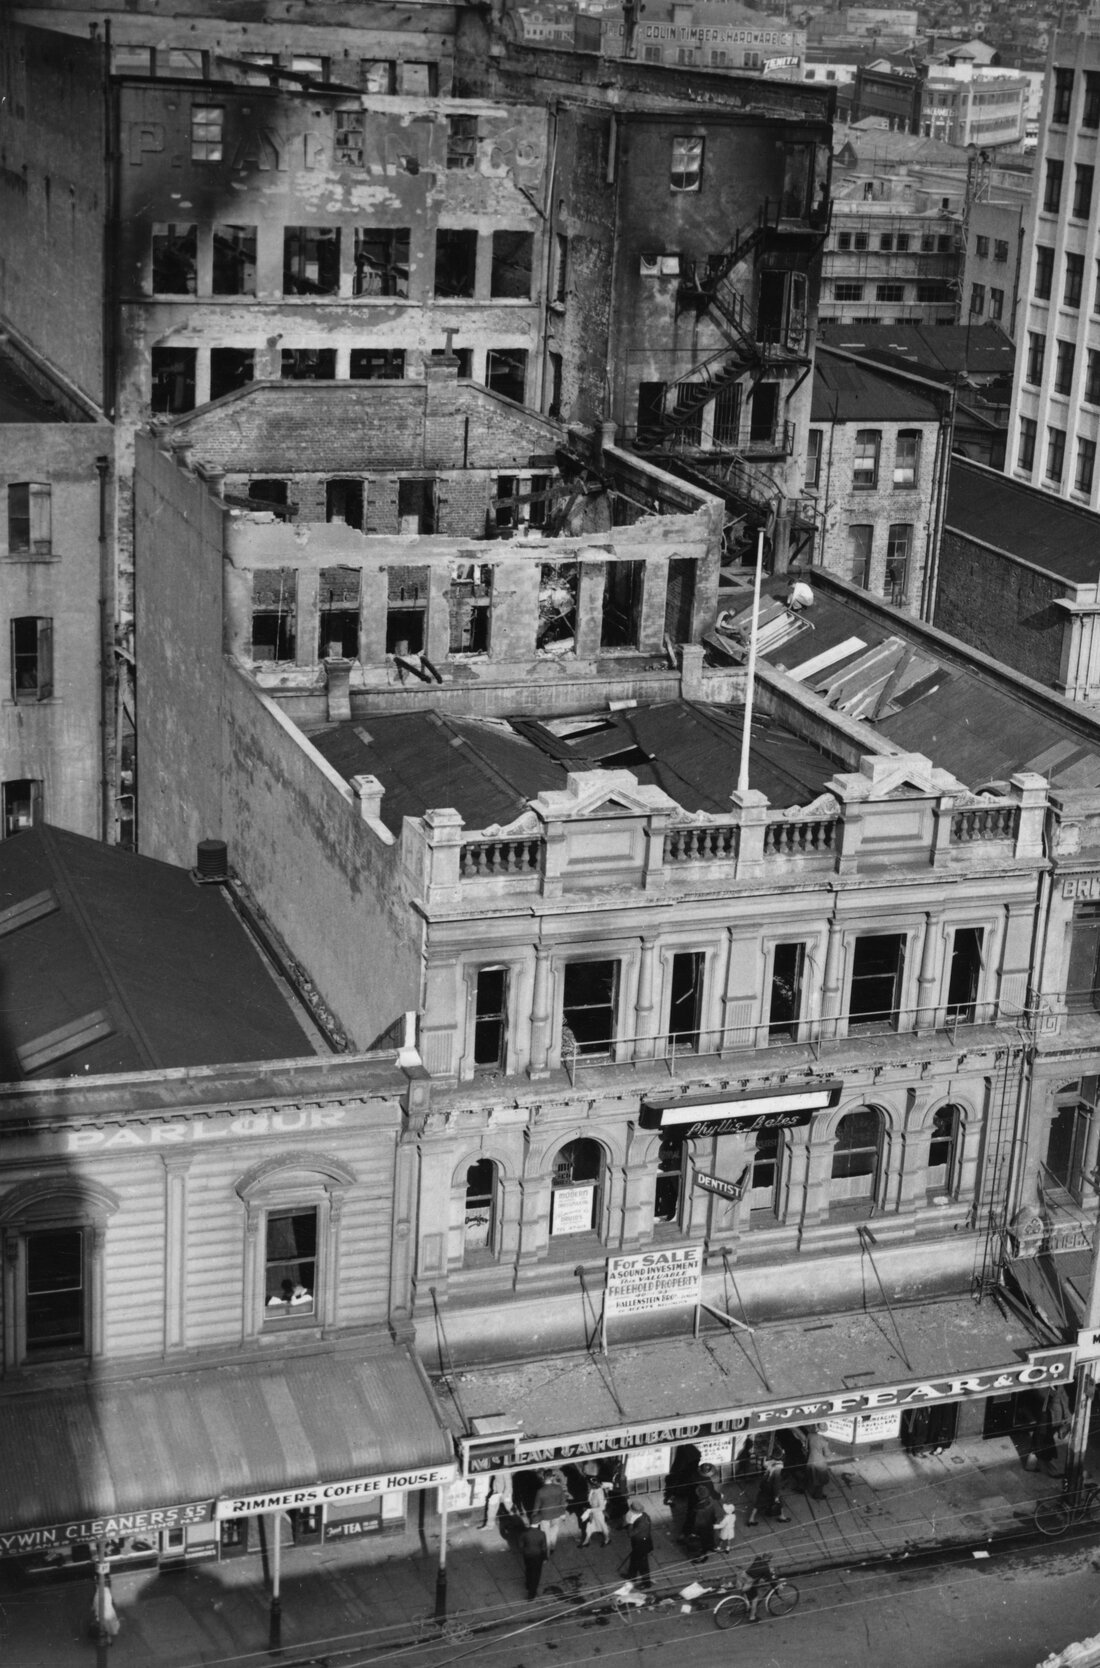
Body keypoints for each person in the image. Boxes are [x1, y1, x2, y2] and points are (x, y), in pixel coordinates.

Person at [689, 1466, 723, 1562]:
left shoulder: (698, 1509)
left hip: (701, 1529)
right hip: (709, 1525)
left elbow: (696, 1522)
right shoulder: (710, 1502)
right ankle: (711, 1547)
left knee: (702, 1542)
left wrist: (693, 1532)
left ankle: (702, 1556)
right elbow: (713, 1515)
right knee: (709, 1538)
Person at [532, 1468, 570, 1550]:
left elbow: (536, 1506)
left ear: (543, 1477)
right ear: (552, 1477)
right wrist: (563, 1513)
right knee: (554, 1531)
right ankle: (552, 1546)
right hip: (557, 1513)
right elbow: (563, 1502)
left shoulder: (540, 1491)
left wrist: (533, 1516)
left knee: (546, 1533)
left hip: (544, 1515)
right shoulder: (558, 1488)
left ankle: (547, 1548)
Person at [747, 1456, 790, 1527]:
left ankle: (751, 1519)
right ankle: (782, 1517)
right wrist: (776, 1496)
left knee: (758, 1503)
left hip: (764, 1487)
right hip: (771, 1490)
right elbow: (776, 1485)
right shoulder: (778, 1470)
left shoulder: (770, 1465)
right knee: (780, 1501)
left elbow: (764, 1477)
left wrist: (761, 1487)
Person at [624, 1498, 654, 1587]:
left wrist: (630, 1524)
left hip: (641, 1544)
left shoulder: (641, 1522)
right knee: (634, 1559)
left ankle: (647, 1583)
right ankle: (632, 1576)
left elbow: (630, 1534)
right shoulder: (644, 1515)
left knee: (643, 1564)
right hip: (639, 1542)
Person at [742, 1552, 775, 1622]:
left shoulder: (757, 1558)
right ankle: (752, 1617)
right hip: (748, 1582)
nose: (770, 1561)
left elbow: (757, 1569)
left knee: (748, 1593)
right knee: (755, 1599)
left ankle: (747, 1604)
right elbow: (770, 1580)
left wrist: (768, 1570)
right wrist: (776, 1587)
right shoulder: (766, 1568)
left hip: (742, 1577)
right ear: (768, 1560)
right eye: (770, 1559)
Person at [519, 1522, 549, 1600]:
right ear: (538, 1524)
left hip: (527, 1555)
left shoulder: (524, 1533)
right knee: (536, 1575)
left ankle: (528, 1584)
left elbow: (520, 1545)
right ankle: (531, 1594)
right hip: (538, 1556)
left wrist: (524, 1551)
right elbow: (544, 1547)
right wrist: (545, 1557)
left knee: (528, 1569)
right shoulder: (542, 1533)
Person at [580, 1472, 609, 1547]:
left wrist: (590, 1510)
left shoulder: (599, 1494)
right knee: (589, 1526)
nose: (587, 1485)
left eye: (588, 1484)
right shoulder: (593, 1491)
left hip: (598, 1513)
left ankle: (607, 1539)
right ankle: (586, 1541)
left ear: (593, 1485)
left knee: (603, 1526)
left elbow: (602, 1507)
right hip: (592, 1512)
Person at [803, 1427, 830, 1501]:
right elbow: (827, 1454)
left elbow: (806, 1447)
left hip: (810, 1459)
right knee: (821, 1480)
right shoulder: (824, 1441)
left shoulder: (810, 1435)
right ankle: (818, 1495)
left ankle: (802, 1488)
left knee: (809, 1475)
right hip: (820, 1462)